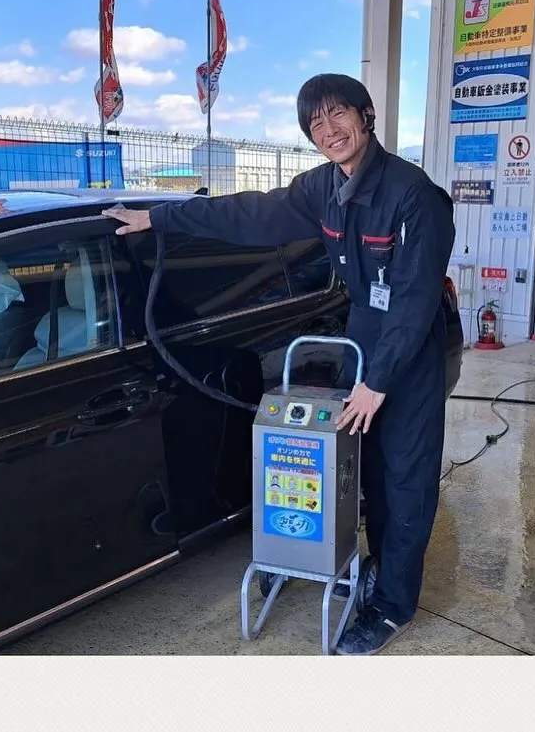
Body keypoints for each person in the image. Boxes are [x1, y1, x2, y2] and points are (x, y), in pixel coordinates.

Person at [104, 73, 455, 656]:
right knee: (369, 477)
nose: (329, 130)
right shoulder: (321, 188)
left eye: (338, 114)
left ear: (365, 115)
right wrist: (160, 218)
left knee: (407, 480)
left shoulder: (414, 196)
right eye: (316, 124)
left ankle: (393, 607)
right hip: (364, 342)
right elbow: (249, 214)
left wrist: (379, 381)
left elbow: (417, 299)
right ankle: (380, 567)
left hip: (407, 354)